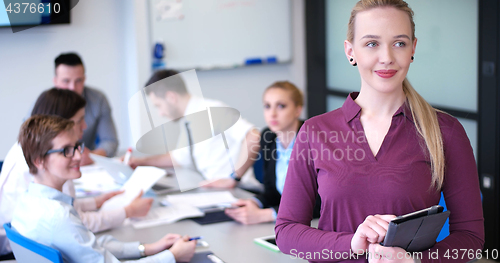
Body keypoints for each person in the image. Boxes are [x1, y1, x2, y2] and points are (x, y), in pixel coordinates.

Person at [274, 1, 484, 262]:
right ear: (351, 51)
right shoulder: (315, 131)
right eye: (372, 43)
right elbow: (286, 233)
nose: (387, 57)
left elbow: (471, 238)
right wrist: (351, 243)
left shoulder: (446, 132)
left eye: (399, 43)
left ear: (413, 49)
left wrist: (417, 261)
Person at [10, 115, 196, 263]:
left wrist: (146, 249)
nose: (77, 156)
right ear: (39, 161)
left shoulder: (28, 203)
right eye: (66, 150)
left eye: (76, 147)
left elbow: (89, 246)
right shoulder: (59, 218)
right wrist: (172, 256)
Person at [0, 88, 152, 259]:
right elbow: (72, 224)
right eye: (80, 120)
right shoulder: (58, 212)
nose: (85, 125)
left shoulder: (31, 193)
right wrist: (171, 255)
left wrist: (95, 202)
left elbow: (72, 224)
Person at [127, 70, 261, 189]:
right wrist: (141, 162)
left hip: (240, 189)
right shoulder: (189, 119)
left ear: (171, 97)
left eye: (158, 105)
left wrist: (234, 178)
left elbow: (253, 136)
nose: (160, 113)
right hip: (215, 188)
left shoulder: (212, 111)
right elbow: (179, 158)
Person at [225, 81, 320, 224]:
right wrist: (254, 202)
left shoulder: (315, 139)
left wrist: (267, 215)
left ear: (297, 110)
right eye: (267, 106)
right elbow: (273, 192)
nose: (273, 114)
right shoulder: (268, 137)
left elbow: (323, 202)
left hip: (313, 224)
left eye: (281, 106)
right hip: (285, 223)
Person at [53, 52, 118, 157]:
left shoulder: (98, 100)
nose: (72, 88)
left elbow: (109, 141)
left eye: (78, 81)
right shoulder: (43, 103)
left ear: (84, 79)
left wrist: (89, 156)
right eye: (66, 81)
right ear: (55, 81)